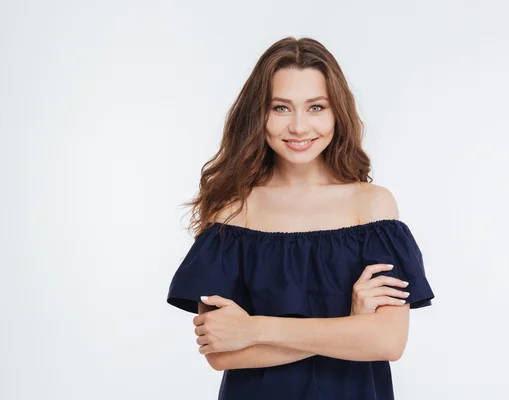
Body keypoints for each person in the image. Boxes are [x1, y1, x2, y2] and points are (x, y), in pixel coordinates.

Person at [166, 36, 435, 400]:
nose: (298, 127)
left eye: (315, 107)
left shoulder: (372, 207)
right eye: (280, 108)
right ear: (257, 113)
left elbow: (387, 341)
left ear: (337, 112)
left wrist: (255, 328)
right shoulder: (232, 211)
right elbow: (222, 351)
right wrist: (352, 328)